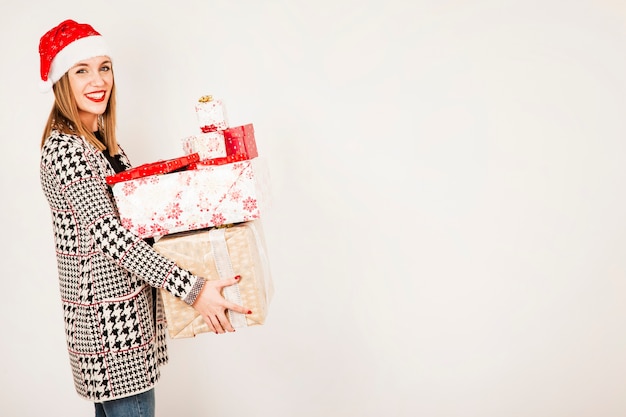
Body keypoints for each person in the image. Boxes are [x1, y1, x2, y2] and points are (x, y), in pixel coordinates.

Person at [38, 19, 251, 417]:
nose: (97, 79)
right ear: (60, 81)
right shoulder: (68, 150)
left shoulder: (99, 141)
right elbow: (112, 237)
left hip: (122, 324)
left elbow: (135, 217)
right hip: (110, 330)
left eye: (104, 66)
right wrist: (194, 289)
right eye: (81, 70)